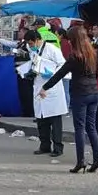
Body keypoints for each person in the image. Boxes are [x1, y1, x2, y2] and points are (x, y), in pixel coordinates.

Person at [40, 26, 98, 173]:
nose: (68, 42)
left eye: (69, 39)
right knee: (91, 127)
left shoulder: (75, 56)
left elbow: (60, 74)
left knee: (79, 128)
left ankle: (81, 161)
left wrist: (45, 87)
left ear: (73, 40)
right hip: (94, 93)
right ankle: (97, 160)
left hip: (80, 93)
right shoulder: (93, 54)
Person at [19, 29, 67, 157]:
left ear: (37, 40)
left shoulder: (52, 49)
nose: (30, 46)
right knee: (41, 120)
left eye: (31, 44)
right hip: (39, 86)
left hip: (52, 88)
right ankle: (44, 145)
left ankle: (58, 147)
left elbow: (63, 65)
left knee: (55, 121)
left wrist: (52, 73)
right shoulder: (32, 50)